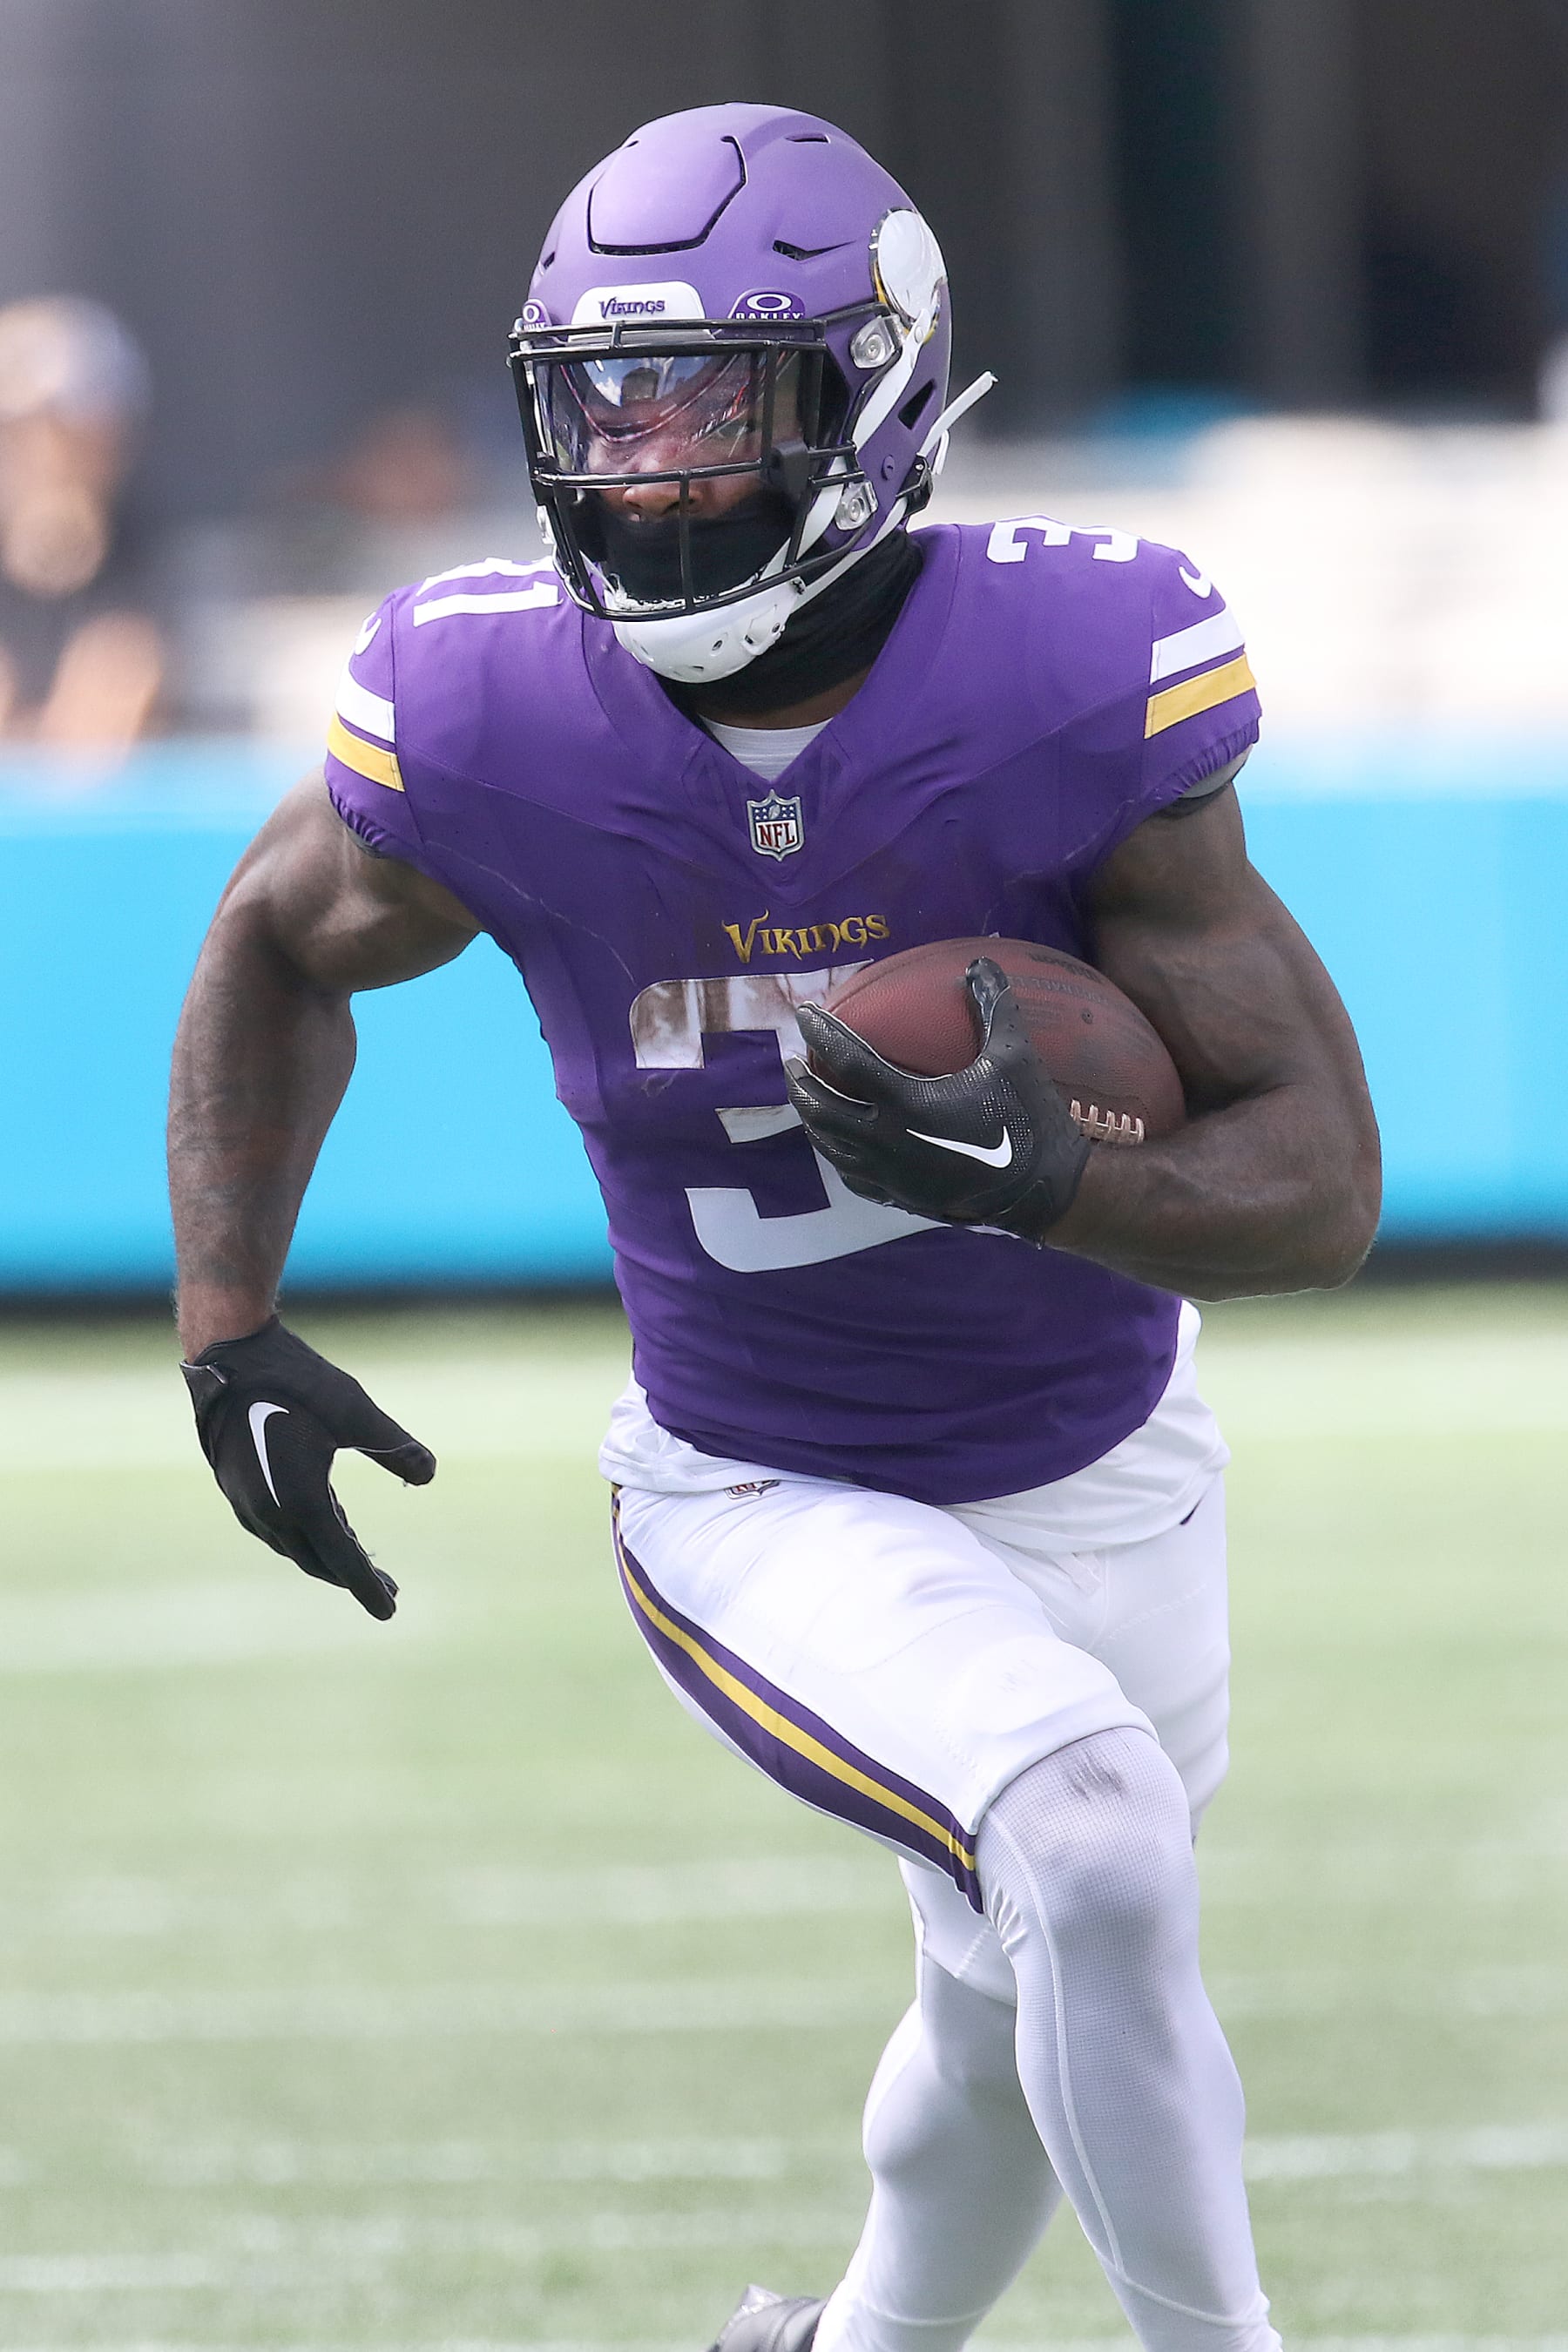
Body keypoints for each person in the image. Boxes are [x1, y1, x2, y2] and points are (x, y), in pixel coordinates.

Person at [169, 105, 1380, 2352]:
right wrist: (228, 1314)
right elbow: (270, 939)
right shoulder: (484, 706)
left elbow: (1319, 1183)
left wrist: (1066, 1182)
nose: (644, 465)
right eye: (604, 403)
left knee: (1012, 1981)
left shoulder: (1068, 678)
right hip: (760, 1482)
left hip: (1109, 1455)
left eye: (707, 400)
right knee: (1089, 1844)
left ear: (875, 390)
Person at [0, 296, 164, 745]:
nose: (33, 454)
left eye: (54, 430)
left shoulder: (138, 586)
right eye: (14, 431)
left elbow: (97, 735)